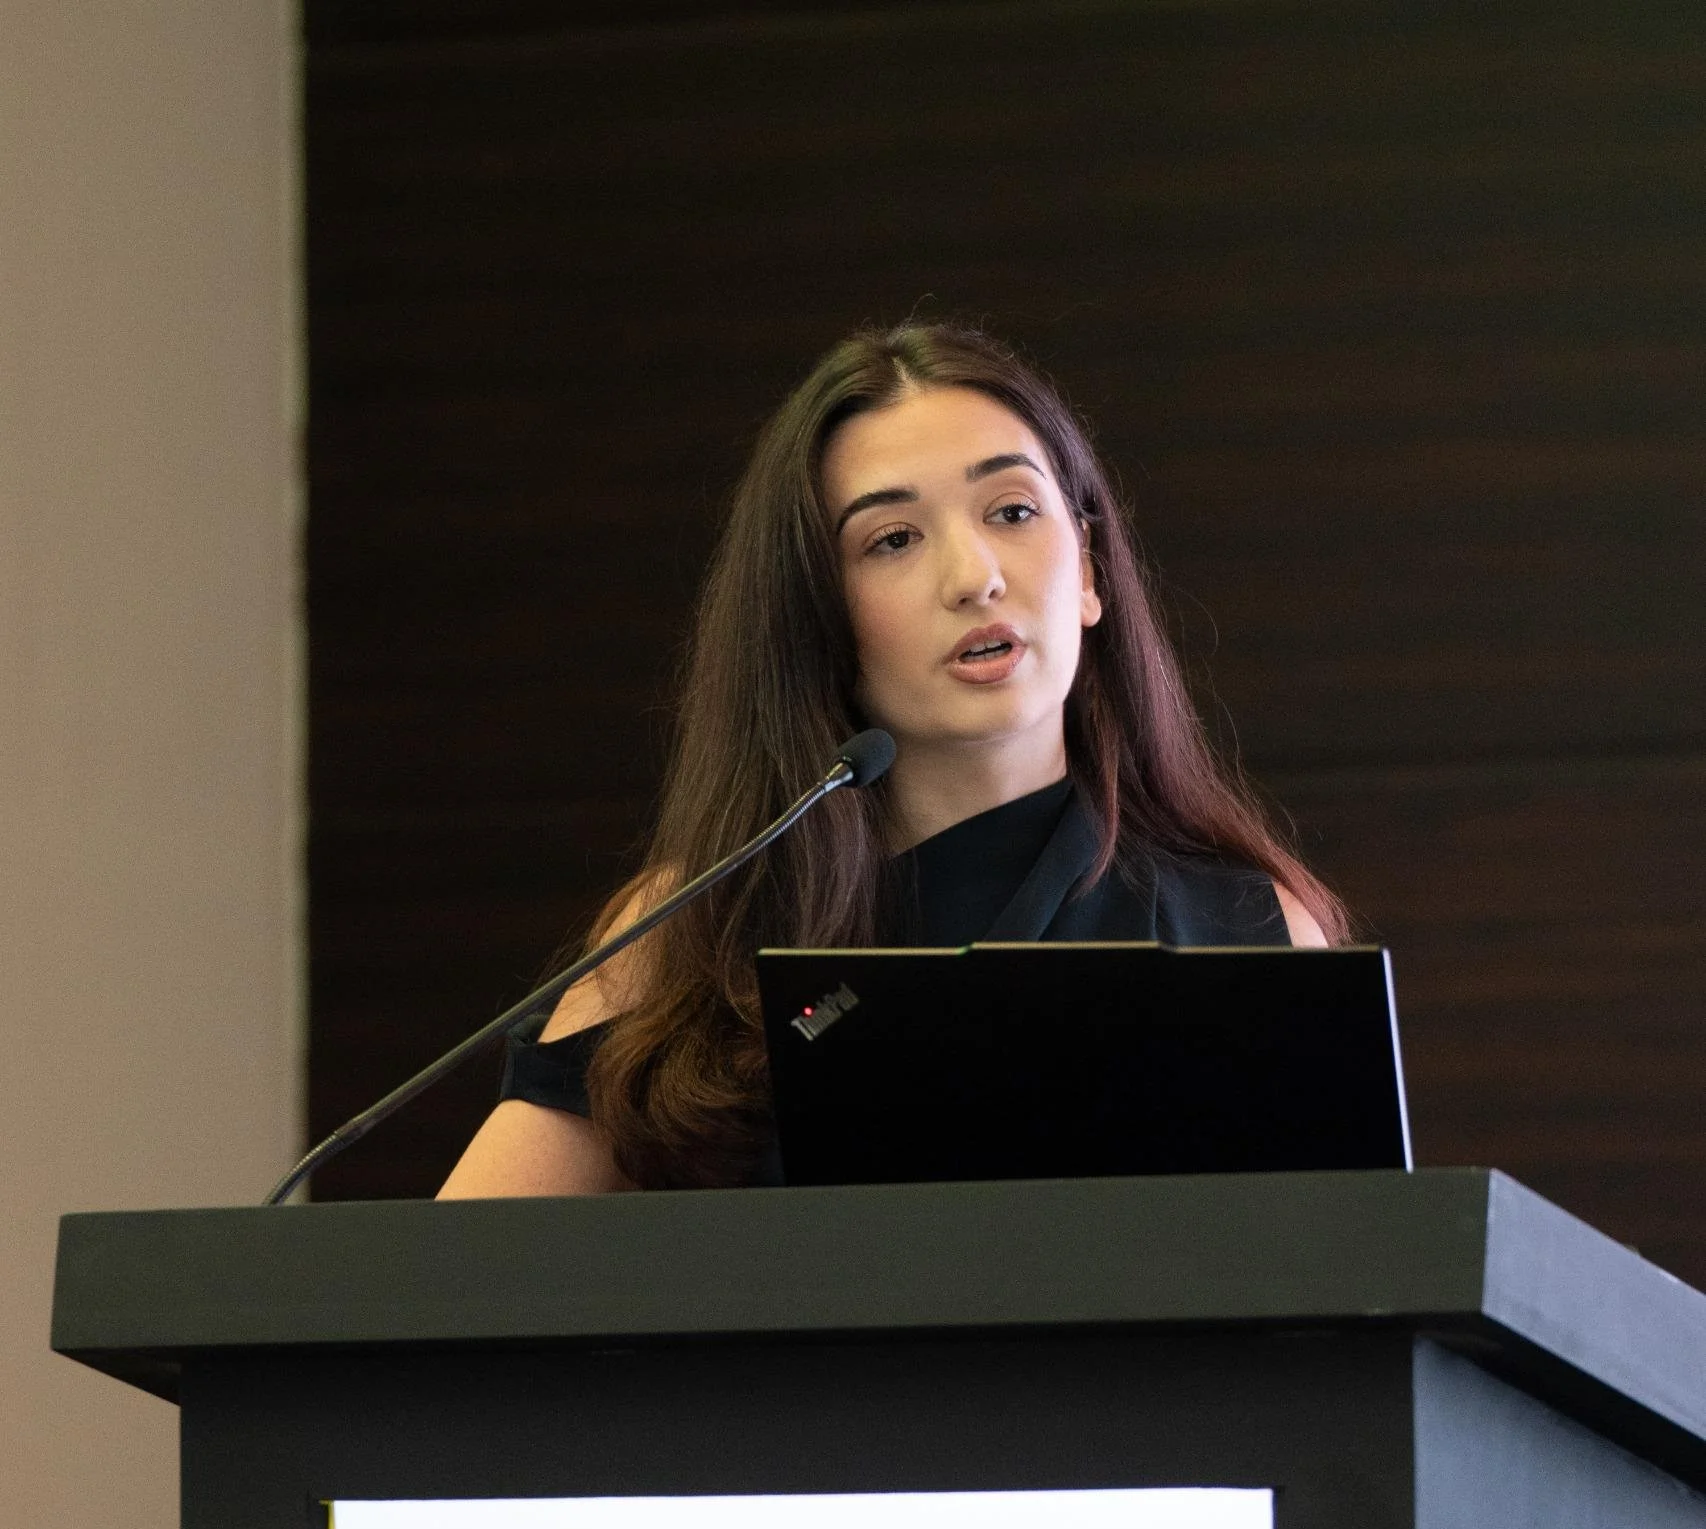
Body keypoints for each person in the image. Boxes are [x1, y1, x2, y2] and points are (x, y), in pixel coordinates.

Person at [439, 321, 1346, 1200]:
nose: (974, 575)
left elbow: (1355, 1294)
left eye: (1014, 511)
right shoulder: (691, 934)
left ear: (1091, 574)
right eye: (893, 540)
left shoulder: (1249, 929)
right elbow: (455, 1292)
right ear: (818, 622)